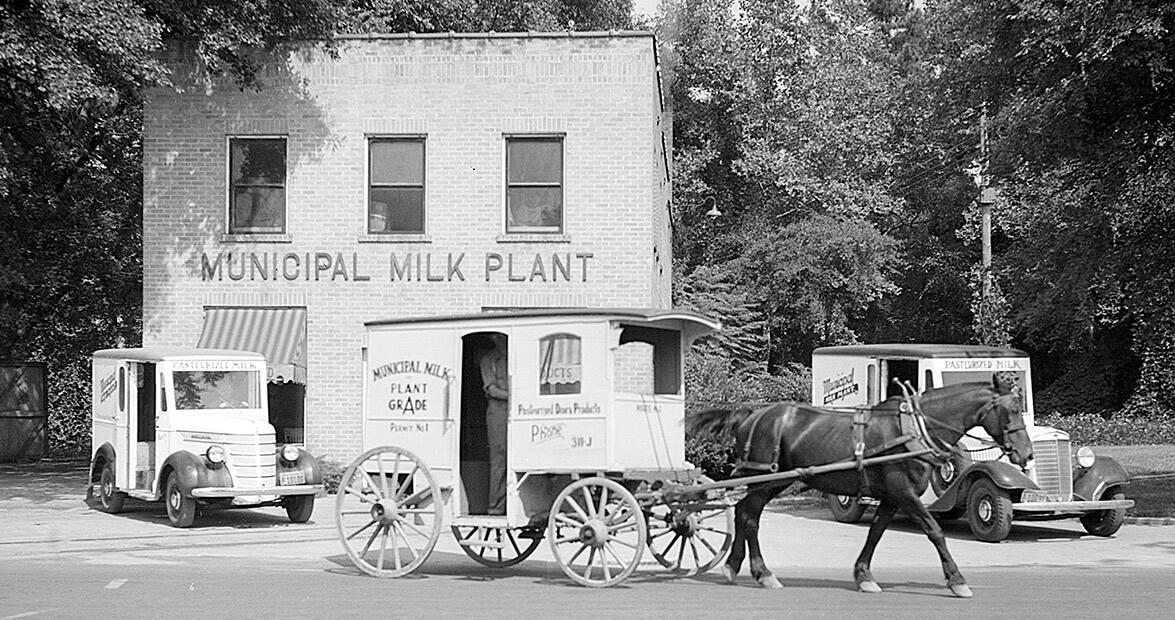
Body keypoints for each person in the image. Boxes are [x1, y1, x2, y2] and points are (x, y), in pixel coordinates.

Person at [479, 334, 509, 515]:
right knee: (499, 459)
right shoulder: (488, 360)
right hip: (498, 412)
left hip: (517, 410)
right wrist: (514, 396)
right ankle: (495, 507)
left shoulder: (514, 356)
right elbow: (491, 389)